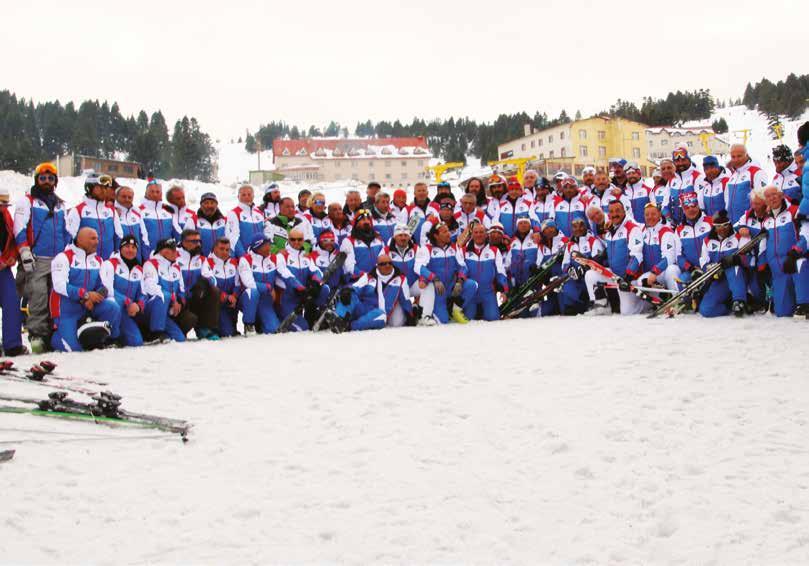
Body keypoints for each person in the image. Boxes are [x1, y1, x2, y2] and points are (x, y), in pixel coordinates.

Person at [13, 162, 69, 352]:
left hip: (57, 258)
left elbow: (66, 231)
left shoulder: (61, 205)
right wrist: (24, 251)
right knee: (38, 295)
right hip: (37, 257)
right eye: (43, 178)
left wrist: (66, 253)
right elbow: (19, 228)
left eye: (51, 178)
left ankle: (52, 333)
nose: (47, 182)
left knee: (55, 296)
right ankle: (36, 333)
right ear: (37, 180)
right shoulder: (28, 201)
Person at [50, 227, 122, 352]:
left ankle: (109, 339)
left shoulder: (98, 260)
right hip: (66, 311)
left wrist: (95, 297)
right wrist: (86, 295)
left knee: (112, 307)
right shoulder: (63, 258)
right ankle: (55, 336)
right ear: (80, 239)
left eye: (97, 238)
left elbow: (104, 287)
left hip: (88, 307)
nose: (97, 242)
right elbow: (59, 285)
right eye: (93, 238)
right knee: (73, 349)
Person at [583, 201, 644, 315]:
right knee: (590, 275)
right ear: (608, 214)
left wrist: (628, 276)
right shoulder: (610, 231)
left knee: (627, 312)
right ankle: (601, 305)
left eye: (618, 211)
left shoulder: (632, 228)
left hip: (629, 278)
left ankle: (646, 304)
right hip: (615, 276)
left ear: (624, 211)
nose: (615, 214)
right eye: (611, 211)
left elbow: (637, 255)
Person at [758, 185, 809, 317]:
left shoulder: (794, 211)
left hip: (792, 261)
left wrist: (796, 252)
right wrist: (762, 265)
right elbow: (763, 245)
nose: (772, 198)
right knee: (782, 312)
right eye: (768, 196)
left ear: (781, 195)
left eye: (774, 194)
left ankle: (804, 305)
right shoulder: (766, 220)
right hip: (777, 269)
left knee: (801, 263)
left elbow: (805, 234)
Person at [329, 253, 414, 332]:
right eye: (383, 264)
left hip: (378, 314)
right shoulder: (369, 277)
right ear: (377, 266)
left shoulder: (401, 279)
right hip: (363, 309)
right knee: (349, 294)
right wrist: (347, 290)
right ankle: (338, 318)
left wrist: (411, 317)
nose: (387, 266)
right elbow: (356, 287)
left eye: (389, 263)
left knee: (381, 316)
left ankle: (349, 326)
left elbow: (405, 300)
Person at [698, 210, 752, 318]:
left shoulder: (738, 237)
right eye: (718, 226)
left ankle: (739, 301)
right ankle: (728, 305)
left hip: (738, 278)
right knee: (705, 310)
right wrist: (709, 267)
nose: (722, 229)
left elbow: (749, 259)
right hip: (720, 279)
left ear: (730, 223)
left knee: (733, 267)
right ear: (714, 226)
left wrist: (736, 259)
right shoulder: (707, 241)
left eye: (725, 225)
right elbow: (703, 260)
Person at [420, 221, 477, 324]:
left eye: (448, 231)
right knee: (443, 321)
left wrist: (460, 281)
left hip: (452, 286)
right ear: (436, 236)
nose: (448, 234)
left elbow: (463, 267)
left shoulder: (454, 247)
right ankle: (437, 310)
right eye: (445, 232)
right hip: (439, 290)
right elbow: (420, 268)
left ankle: (455, 308)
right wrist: (435, 279)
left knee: (472, 284)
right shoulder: (427, 248)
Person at [276, 228, 328, 331]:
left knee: (324, 288)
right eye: (293, 239)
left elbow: (317, 271)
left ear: (303, 240)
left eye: (299, 239)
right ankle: (280, 317)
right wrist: (299, 287)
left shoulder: (306, 256)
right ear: (288, 240)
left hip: (303, 296)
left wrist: (315, 282)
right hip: (287, 298)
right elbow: (286, 274)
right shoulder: (282, 256)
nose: (296, 242)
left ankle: (314, 313)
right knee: (303, 328)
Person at [204, 237, 256, 337]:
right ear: (214, 248)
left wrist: (234, 296)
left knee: (250, 293)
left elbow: (237, 284)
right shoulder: (208, 263)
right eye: (221, 249)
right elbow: (211, 284)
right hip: (217, 303)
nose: (225, 252)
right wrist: (225, 296)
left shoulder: (234, 262)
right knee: (227, 333)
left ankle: (250, 324)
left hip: (231, 302)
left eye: (227, 249)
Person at [100, 235, 146, 347]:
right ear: (120, 248)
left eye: (133, 247)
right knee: (112, 307)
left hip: (126, 313)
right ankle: (109, 338)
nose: (130, 250)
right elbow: (107, 290)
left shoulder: (139, 269)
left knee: (136, 342)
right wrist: (127, 302)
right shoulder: (110, 264)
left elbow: (143, 294)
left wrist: (138, 306)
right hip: (110, 309)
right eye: (127, 246)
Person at [385, 224, 436, 324]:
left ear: (409, 236)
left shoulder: (416, 249)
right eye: (400, 235)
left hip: (412, 285)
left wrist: (423, 278)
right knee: (396, 323)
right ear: (395, 236)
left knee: (429, 285)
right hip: (398, 290)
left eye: (405, 235)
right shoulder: (386, 251)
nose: (403, 238)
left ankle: (425, 316)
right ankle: (412, 310)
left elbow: (422, 266)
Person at [66, 173, 124, 260]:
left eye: (106, 188)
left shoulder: (111, 211)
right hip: (87, 265)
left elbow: (119, 237)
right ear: (90, 188)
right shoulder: (78, 210)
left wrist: (116, 259)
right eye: (100, 188)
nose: (105, 191)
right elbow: (70, 239)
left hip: (107, 264)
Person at [142, 237, 190, 343]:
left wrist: (179, 303)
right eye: (173, 250)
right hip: (151, 309)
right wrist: (172, 300)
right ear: (163, 251)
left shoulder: (176, 267)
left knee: (180, 338)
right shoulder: (151, 264)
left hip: (167, 311)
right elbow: (150, 287)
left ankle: (160, 332)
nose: (176, 253)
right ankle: (155, 333)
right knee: (163, 295)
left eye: (176, 250)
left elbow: (181, 290)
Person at [176, 229, 221, 340]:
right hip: (179, 300)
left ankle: (205, 328)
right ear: (184, 242)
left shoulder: (201, 258)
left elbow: (212, 278)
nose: (198, 244)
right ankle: (176, 330)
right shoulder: (174, 255)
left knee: (214, 290)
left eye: (199, 241)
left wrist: (204, 283)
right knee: (189, 320)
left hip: (195, 297)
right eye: (194, 241)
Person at [462, 222, 508, 321]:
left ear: (486, 234)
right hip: (472, 292)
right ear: (472, 234)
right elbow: (461, 270)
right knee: (467, 319)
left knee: (493, 319)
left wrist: (504, 290)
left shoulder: (494, 250)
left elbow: (501, 272)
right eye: (476, 232)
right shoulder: (464, 251)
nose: (479, 235)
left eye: (481, 232)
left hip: (487, 292)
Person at [238, 234, 282, 334]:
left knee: (273, 330)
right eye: (265, 245)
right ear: (257, 247)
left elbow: (282, 276)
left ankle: (260, 322)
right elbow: (249, 283)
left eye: (269, 245)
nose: (269, 248)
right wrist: (268, 287)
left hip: (265, 301)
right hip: (248, 300)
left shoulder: (274, 259)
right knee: (252, 292)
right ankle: (249, 325)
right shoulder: (245, 259)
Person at [560, 217, 604, 315]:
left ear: (586, 226)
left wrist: (585, 266)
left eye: (581, 225)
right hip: (577, 279)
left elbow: (598, 260)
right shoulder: (570, 245)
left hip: (589, 276)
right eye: (575, 227)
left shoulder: (593, 241)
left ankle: (592, 302)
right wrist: (570, 269)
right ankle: (573, 306)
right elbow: (564, 264)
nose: (578, 229)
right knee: (566, 284)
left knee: (591, 279)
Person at [0, 187, 25, 356]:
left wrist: (12, 257)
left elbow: (11, 240)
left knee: (12, 301)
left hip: (3, 268)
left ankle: (12, 344)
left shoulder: (6, 216)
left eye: (5, 204)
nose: (3, 207)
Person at [674, 193, 714, 289]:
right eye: (687, 208)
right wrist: (691, 268)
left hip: (711, 268)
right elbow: (679, 257)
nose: (691, 210)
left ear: (698, 206)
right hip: (692, 270)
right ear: (683, 210)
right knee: (681, 282)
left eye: (694, 206)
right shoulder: (679, 230)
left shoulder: (710, 222)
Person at [638, 203, 680, 291]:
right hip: (652, 274)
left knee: (671, 270)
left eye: (653, 214)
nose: (650, 217)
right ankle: (662, 299)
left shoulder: (665, 231)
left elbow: (670, 257)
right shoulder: (642, 230)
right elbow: (628, 220)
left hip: (664, 271)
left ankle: (678, 298)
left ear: (659, 214)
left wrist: (655, 272)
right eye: (647, 215)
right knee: (640, 282)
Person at [726, 144, 768, 225]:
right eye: (733, 157)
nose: (736, 159)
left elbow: (762, 201)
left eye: (739, 156)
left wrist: (748, 221)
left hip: (750, 224)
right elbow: (727, 201)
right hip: (734, 224)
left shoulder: (756, 173)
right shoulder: (733, 176)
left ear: (747, 155)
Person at [340, 209, 385, 280]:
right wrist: (365, 276)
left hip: (377, 279)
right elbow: (349, 265)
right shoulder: (348, 241)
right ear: (356, 223)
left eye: (368, 219)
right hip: (357, 281)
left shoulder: (378, 240)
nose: (367, 222)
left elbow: (383, 260)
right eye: (363, 219)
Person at [139, 179, 179, 258]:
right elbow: (141, 237)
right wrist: (147, 255)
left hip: (167, 255)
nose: (155, 194)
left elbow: (178, 233)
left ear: (161, 194)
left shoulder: (168, 212)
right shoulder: (139, 211)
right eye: (152, 191)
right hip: (149, 255)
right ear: (146, 193)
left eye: (158, 192)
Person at [667, 145, 703, 226]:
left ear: (689, 160)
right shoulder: (672, 179)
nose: (680, 163)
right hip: (676, 226)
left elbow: (701, 203)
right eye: (677, 161)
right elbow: (665, 204)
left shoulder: (697, 176)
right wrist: (669, 221)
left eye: (683, 160)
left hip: (694, 224)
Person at [226, 184, 265, 256]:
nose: (246, 197)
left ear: (253, 196)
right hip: (244, 257)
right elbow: (233, 237)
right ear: (238, 197)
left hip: (259, 256)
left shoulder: (259, 213)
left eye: (249, 194)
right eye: (243, 195)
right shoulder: (234, 213)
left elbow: (264, 234)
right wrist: (243, 255)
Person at [505, 216, 540, 293]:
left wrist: (537, 266)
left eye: (526, 223)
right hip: (516, 282)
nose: (523, 225)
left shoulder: (536, 238)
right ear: (517, 226)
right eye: (520, 223)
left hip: (532, 280)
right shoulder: (513, 241)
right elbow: (507, 263)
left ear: (530, 225)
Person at [115, 185, 149, 263]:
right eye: (124, 196)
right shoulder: (113, 213)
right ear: (117, 197)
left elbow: (144, 236)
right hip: (119, 259)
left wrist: (145, 257)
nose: (127, 199)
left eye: (129, 197)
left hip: (136, 258)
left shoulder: (137, 213)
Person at [194, 192, 226, 257]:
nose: (209, 206)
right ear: (201, 205)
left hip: (220, 260)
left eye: (212, 203)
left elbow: (232, 240)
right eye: (206, 203)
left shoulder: (225, 221)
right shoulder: (193, 220)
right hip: (201, 260)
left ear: (216, 205)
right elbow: (186, 241)